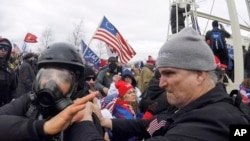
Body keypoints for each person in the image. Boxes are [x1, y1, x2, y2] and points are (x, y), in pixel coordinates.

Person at [75, 27, 250, 141]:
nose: (162, 83)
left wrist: (84, 121)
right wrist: (106, 121)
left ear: (199, 74)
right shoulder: (189, 106)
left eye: (169, 73)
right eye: (161, 73)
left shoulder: (213, 123)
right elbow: (153, 123)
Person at [0, 42, 99, 141]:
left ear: (75, 85)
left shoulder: (82, 111)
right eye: (47, 76)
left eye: (62, 78)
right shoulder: (30, 101)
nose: (51, 83)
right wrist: (44, 127)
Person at [0, 37, 17, 106]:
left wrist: (14, 98)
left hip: (5, 107)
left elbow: (14, 88)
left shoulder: (10, 71)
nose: (3, 50)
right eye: (0, 47)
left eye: (6, 48)